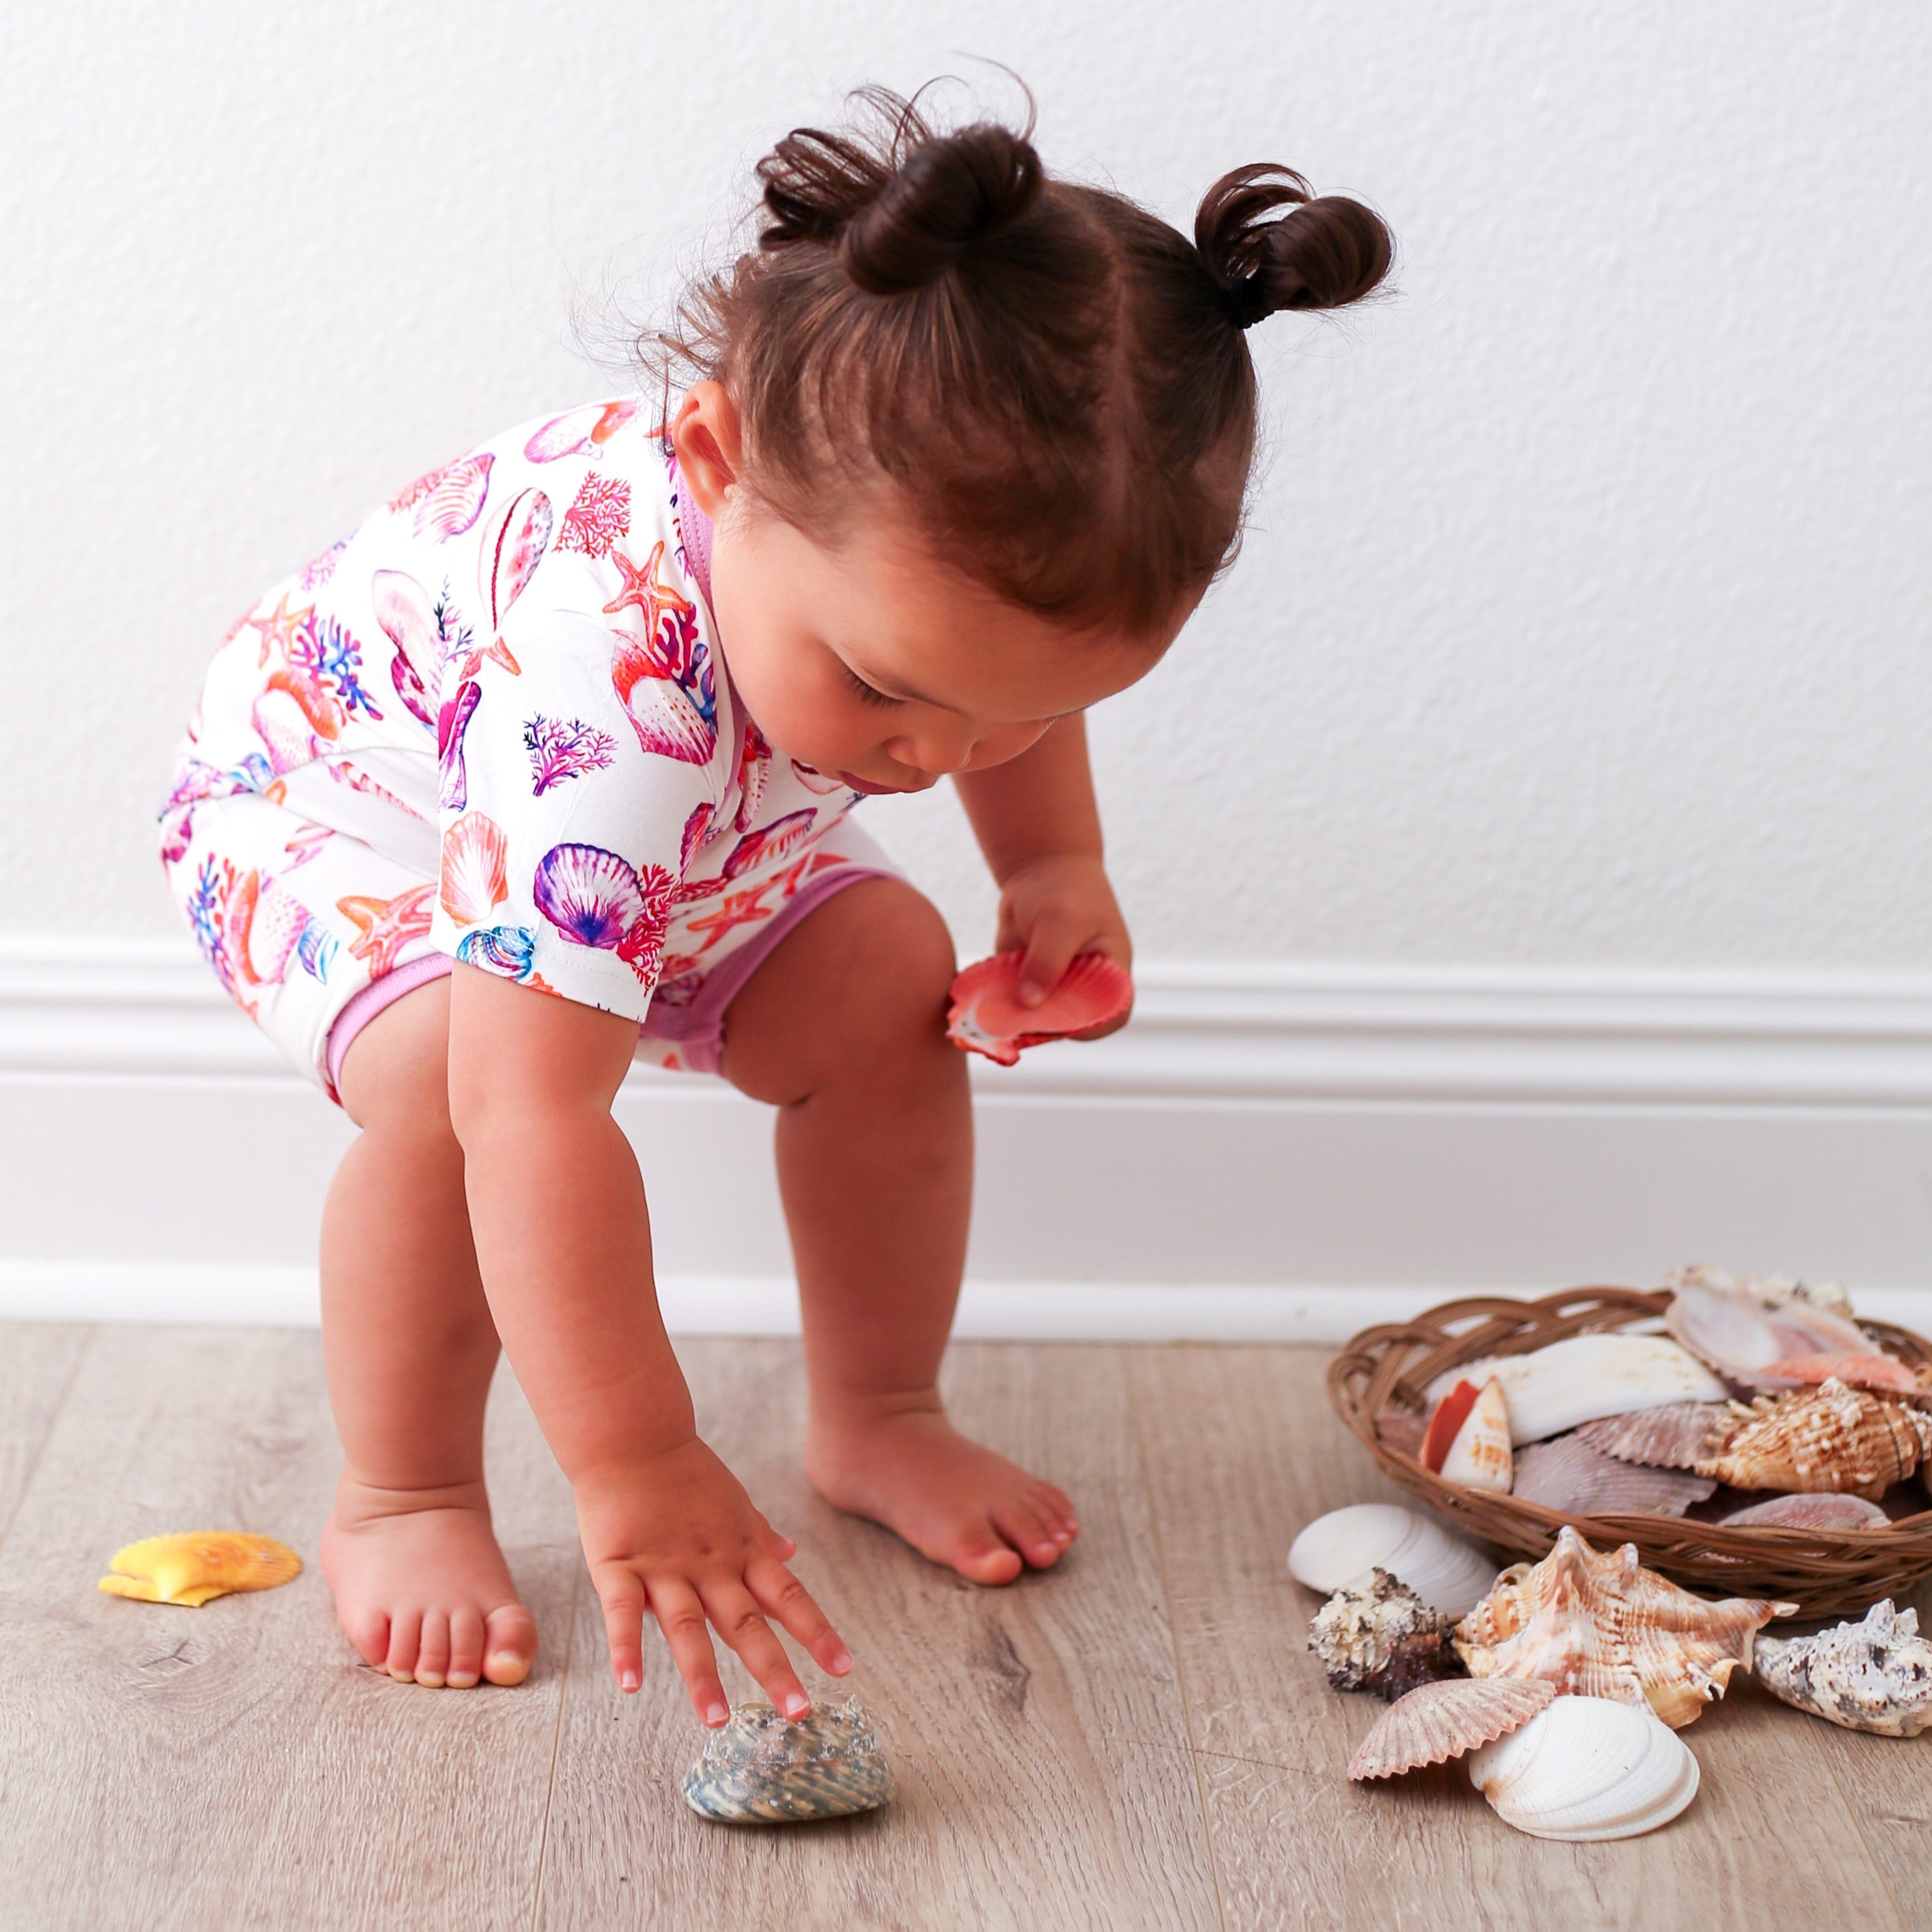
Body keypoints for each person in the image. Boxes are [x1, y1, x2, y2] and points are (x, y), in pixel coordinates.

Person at [158, 84, 1391, 1720]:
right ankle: (405, 1491)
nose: (934, 757)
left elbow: (987, 679)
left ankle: (879, 1409)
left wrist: (1045, 863)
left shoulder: (890, 602)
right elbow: (537, 1120)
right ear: (720, 455)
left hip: (699, 804)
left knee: (886, 977)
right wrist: (640, 1458)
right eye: (889, 685)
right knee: (449, 1090)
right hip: (345, 805)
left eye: (1002, 712)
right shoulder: (595, 690)